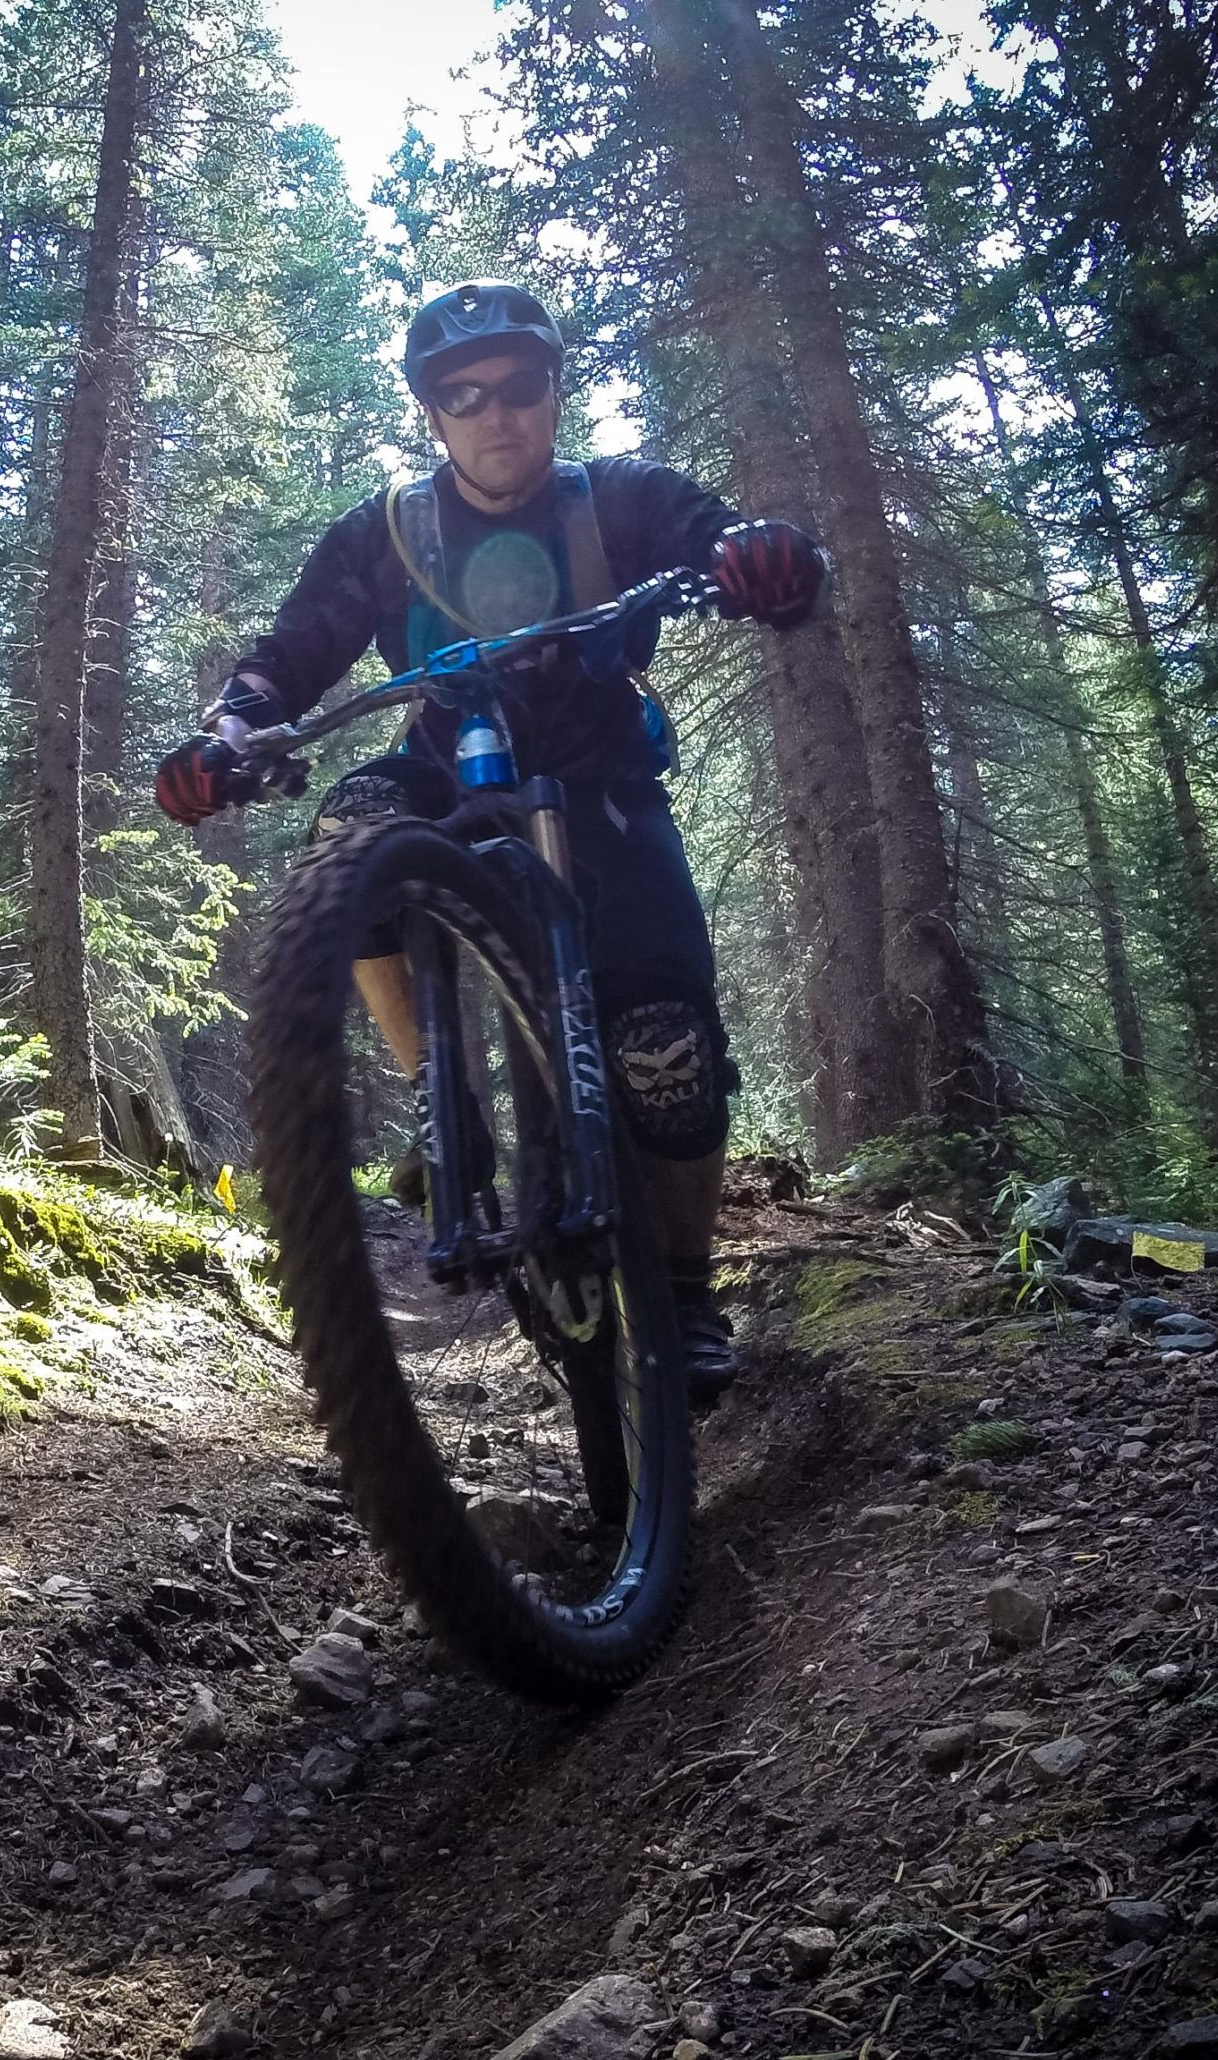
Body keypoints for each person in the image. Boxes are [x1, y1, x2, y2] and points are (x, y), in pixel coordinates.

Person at [155, 280, 828, 1402]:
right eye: (460, 395)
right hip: (443, 763)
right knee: (348, 836)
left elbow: (725, 540)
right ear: (432, 415)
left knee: (665, 1047)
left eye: (517, 386)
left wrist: (766, 560)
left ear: (555, 391)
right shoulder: (384, 531)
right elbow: (288, 657)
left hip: (599, 775)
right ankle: (438, 1090)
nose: (493, 412)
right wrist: (228, 733)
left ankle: (686, 1285)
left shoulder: (616, 497)